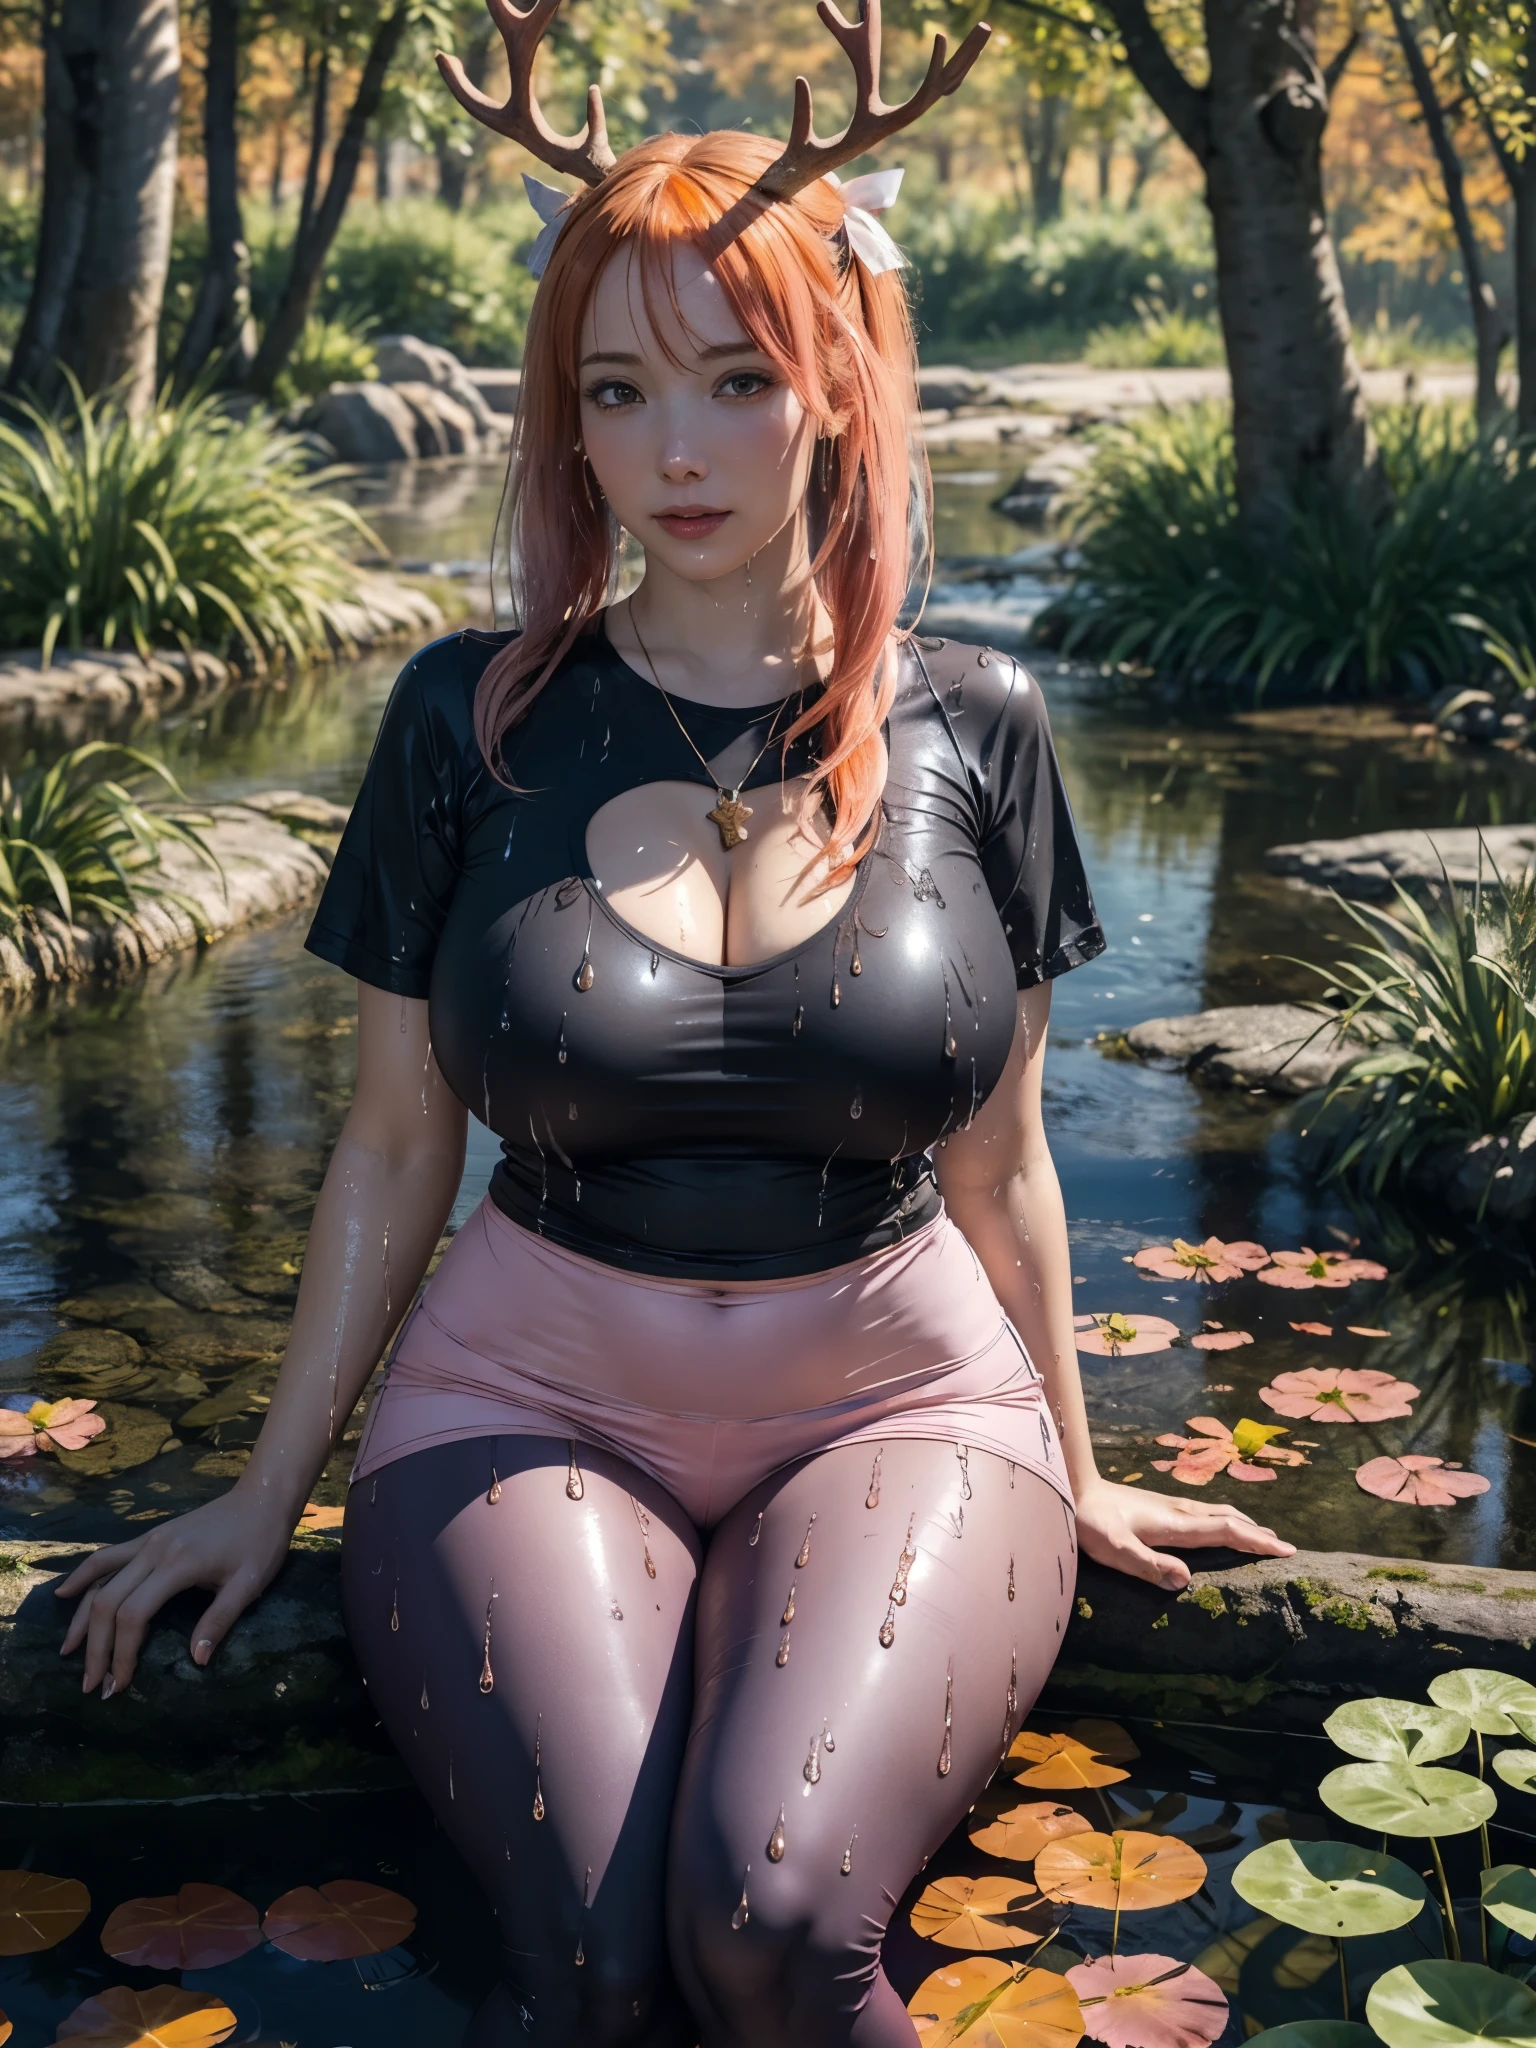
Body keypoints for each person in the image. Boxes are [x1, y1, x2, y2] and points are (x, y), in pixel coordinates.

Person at [55, 5, 1295, 2041]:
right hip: (517, 1404)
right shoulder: (468, 714)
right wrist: (264, 1495)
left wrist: (1081, 1465)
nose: (678, 451)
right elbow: (389, 1140)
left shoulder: (983, 719)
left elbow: (1002, 1157)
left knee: (781, 1922)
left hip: (903, 1404)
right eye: (618, 390)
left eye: (737, 379)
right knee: (600, 1964)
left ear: (840, 385)